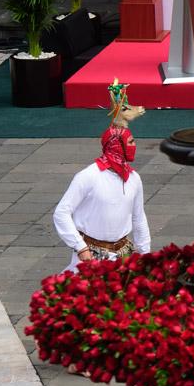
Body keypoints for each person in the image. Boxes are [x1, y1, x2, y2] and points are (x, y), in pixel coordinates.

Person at [53, 80, 151, 271]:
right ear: (116, 145)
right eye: (130, 142)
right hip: (91, 256)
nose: (134, 146)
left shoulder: (133, 179)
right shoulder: (88, 176)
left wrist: (145, 253)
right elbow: (61, 213)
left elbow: (139, 217)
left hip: (123, 255)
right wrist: (80, 247)